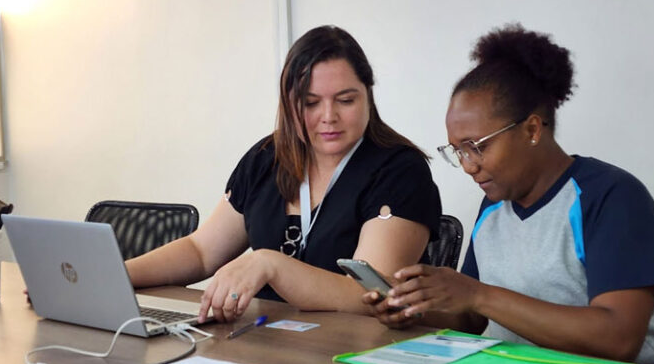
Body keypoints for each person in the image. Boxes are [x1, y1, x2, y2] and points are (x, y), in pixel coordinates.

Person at [364, 23, 654, 364]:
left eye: (477, 147)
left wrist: (478, 294)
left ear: (532, 129)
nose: (468, 166)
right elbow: (474, 320)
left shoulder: (611, 197)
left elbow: (619, 340)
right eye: (458, 151)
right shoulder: (494, 206)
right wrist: (418, 310)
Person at [126, 25, 441, 323]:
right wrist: (115, 273)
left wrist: (271, 264)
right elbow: (200, 252)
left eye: (346, 100)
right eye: (310, 103)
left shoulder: (400, 171)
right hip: (262, 340)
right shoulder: (267, 157)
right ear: (288, 104)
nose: (329, 117)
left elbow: (371, 296)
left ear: (368, 95)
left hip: (349, 352)